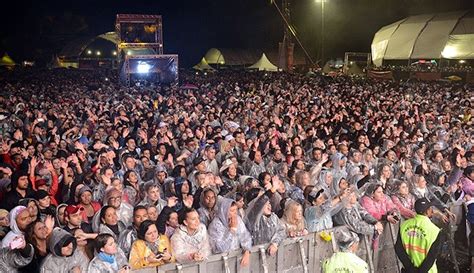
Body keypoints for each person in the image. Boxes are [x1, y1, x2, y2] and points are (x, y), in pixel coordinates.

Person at [395, 198, 442, 273]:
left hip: (408, 270)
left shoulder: (404, 225)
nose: (431, 210)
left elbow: (399, 249)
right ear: (427, 211)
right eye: (430, 208)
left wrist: (410, 268)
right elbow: (432, 256)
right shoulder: (435, 230)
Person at [208, 198, 252, 266]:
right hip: (219, 263)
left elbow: (245, 236)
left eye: (236, 210)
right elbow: (220, 248)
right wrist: (232, 230)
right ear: (224, 211)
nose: (235, 213)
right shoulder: (215, 225)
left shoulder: (238, 219)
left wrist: (247, 251)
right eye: (232, 210)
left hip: (236, 260)